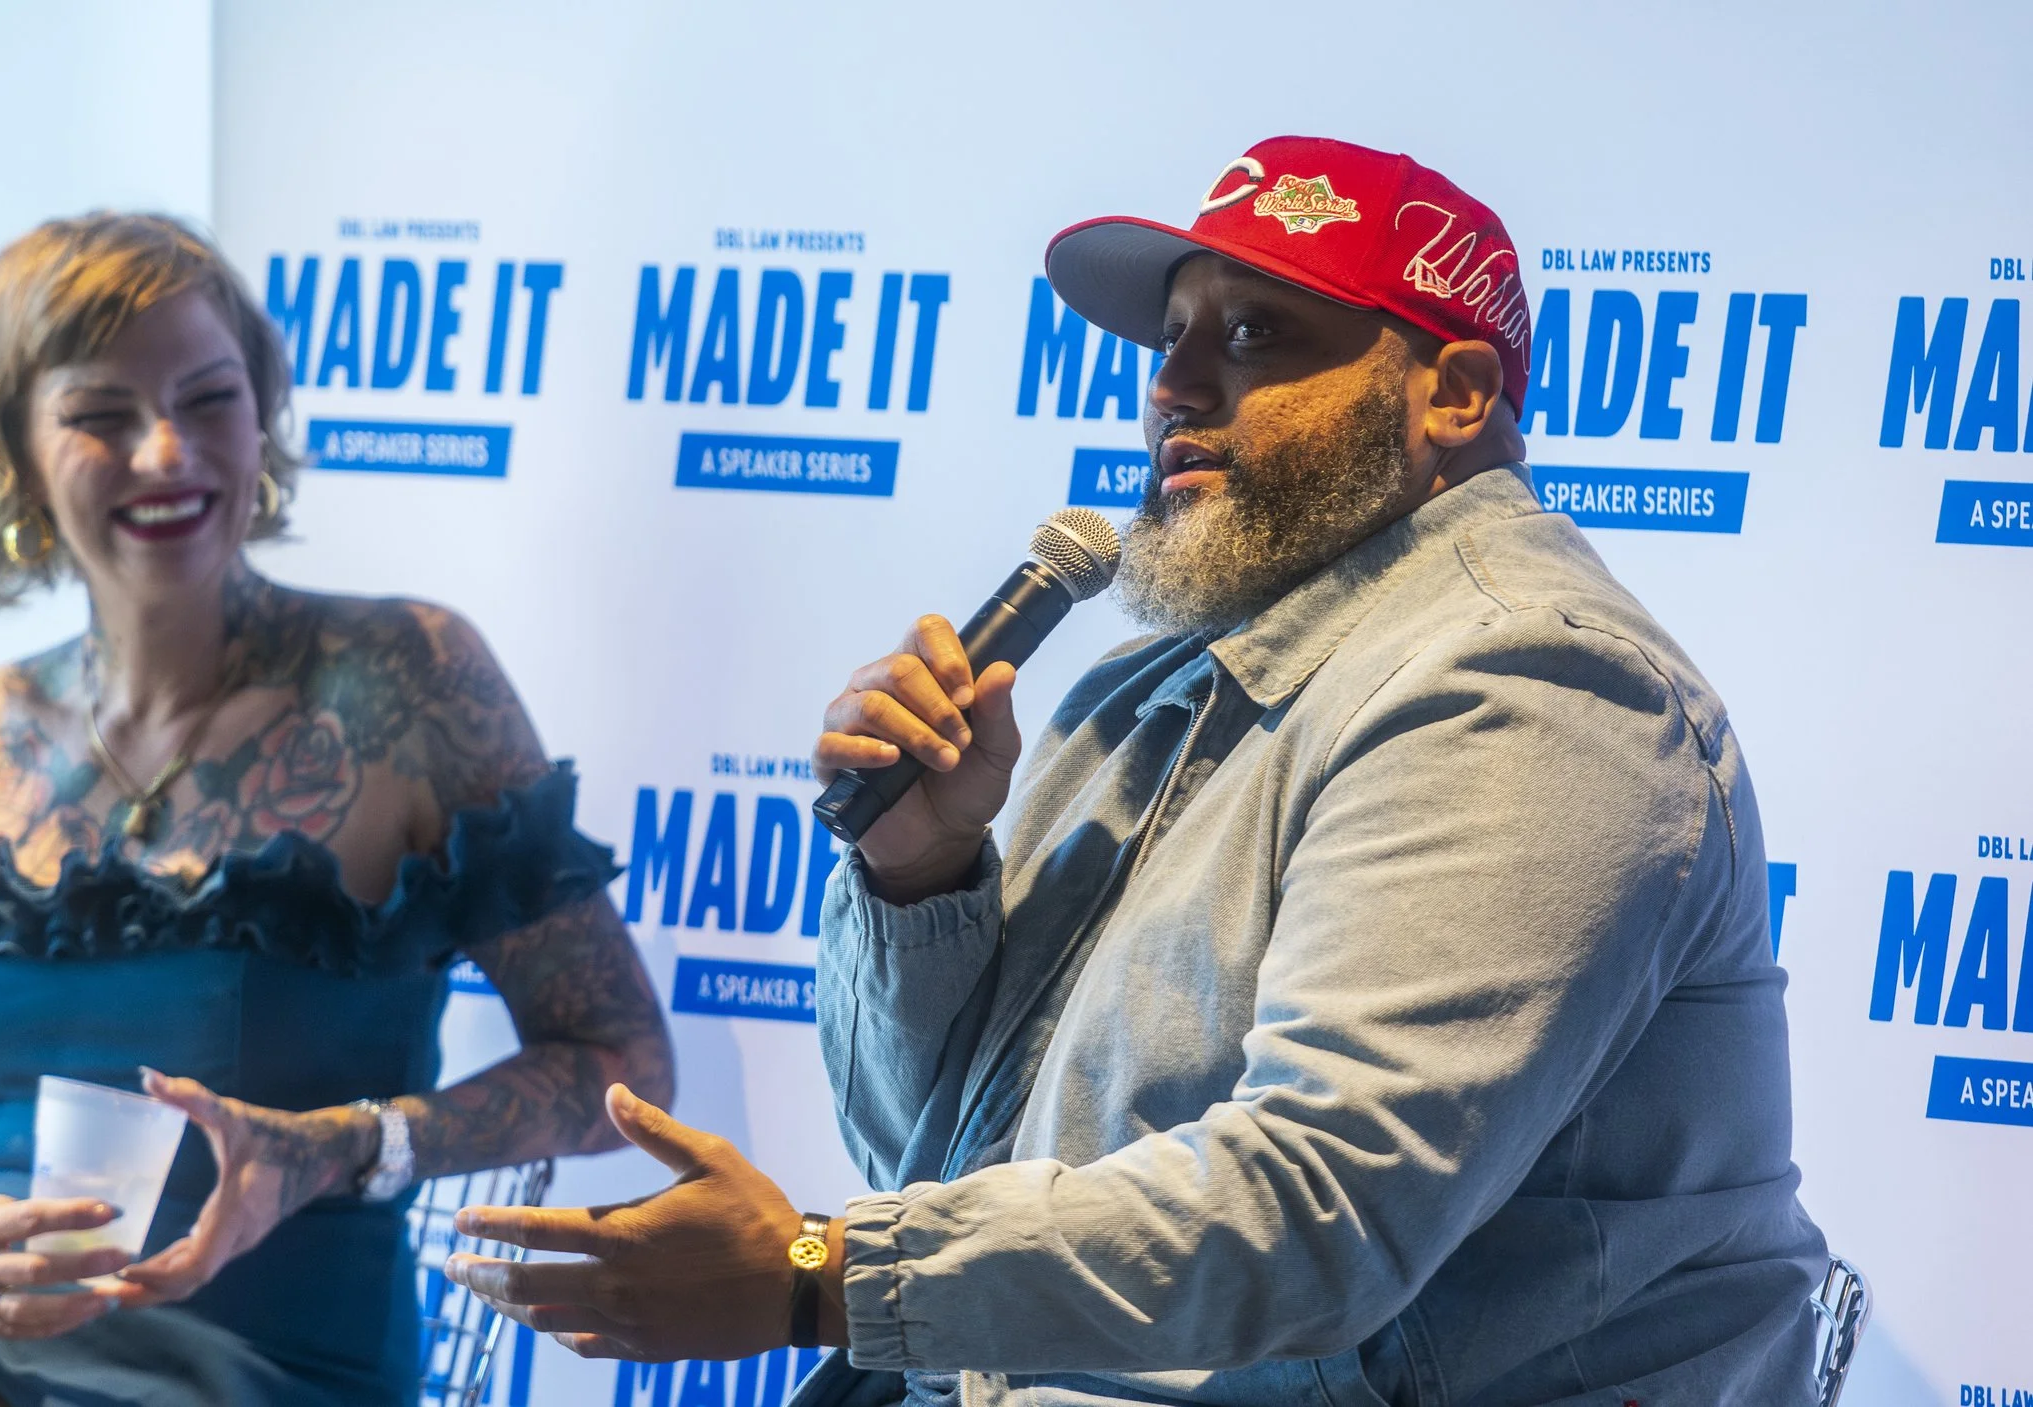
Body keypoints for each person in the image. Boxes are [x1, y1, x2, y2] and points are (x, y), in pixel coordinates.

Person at [447, 137, 1829, 1404]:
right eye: (1170, 336)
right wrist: (919, 871)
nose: (1173, 384)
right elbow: (922, 1156)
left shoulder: (1525, 685)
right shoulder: (1144, 685)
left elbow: (1316, 1214)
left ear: (1455, 394)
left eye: (1253, 332)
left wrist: (822, 1269)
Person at [0, 212, 672, 1407]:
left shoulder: (407, 679)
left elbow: (622, 1062)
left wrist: (349, 1146)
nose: (167, 454)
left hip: (269, 1365)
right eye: (101, 416)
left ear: (261, 418)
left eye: (208, 399)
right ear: (16, 449)